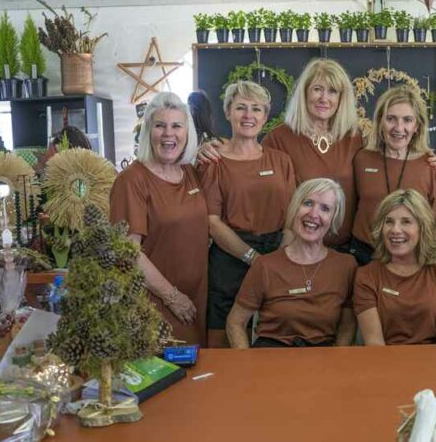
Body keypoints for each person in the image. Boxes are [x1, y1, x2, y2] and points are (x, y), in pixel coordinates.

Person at [201, 58, 436, 253]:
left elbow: (390, 161)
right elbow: (249, 165)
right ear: (305, 93)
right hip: (296, 248)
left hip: (347, 250)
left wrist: (427, 159)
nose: (324, 98)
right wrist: (213, 148)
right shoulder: (280, 138)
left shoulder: (354, 137)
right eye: (317, 89)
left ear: (342, 98)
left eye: (332, 91)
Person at [199, 81, 296, 348]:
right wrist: (252, 257)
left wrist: (278, 259)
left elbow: (291, 216)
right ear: (228, 112)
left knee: (272, 332)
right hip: (230, 257)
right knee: (223, 337)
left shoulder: (281, 161)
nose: (248, 116)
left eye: (256, 109)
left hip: (276, 252)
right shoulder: (213, 161)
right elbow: (212, 222)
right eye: (241, 107)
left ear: (265, 117)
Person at [110, 92, 208, 346]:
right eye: (160, 126)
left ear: (187, 132)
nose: (169, 134)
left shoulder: (190, 173)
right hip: (156, 305)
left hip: (196, 300)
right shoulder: (132, 180)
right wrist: (172, 297)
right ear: (148, 132)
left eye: (177, 126)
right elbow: (128, 253)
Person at [226, 178, 357, 348]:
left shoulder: (345, 266)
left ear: (333, 218)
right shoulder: (265, 265)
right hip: (271, 358)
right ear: (295, 208)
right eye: (308, 203)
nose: (314, 214)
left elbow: (347, 326)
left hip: (323, 362)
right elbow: (235, 323)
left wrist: (338, 364)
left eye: (325, 208)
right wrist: (248, 367)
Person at [350, 85, 436, 265]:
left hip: (411, 258)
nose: (399, 127)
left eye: (407, 120)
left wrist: (430, 263)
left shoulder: (430, 165)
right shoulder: (362, 159)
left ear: (417, 126)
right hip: (363, 255)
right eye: (391, 119)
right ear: (380, 121)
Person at [354, 189, 436, 345]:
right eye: (389, 221)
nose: (395, 230)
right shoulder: (366, 276)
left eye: (406, 221)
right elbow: (374, 345)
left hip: (434, 365)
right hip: (384, 364)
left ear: (422, 228)